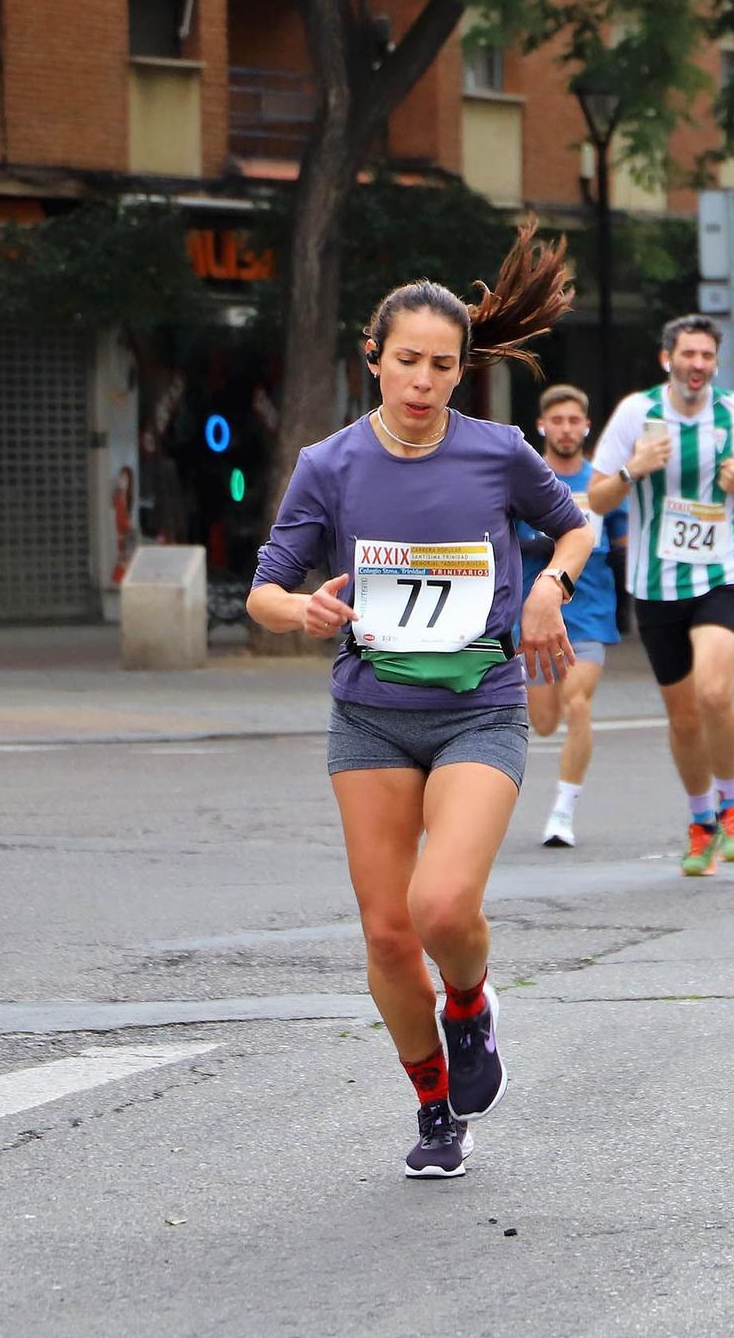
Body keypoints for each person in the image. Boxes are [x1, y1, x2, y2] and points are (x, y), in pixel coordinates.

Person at [246, 225, 591, 1181]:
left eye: (443, 365)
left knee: (442, 906)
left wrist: (548, 587)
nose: (424, 380)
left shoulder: (500, 452)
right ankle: (435, 1106)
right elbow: (265, 587)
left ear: (460, 371)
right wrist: (301, 608)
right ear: (374, 356)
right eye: (407, 360)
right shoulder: (330, 464)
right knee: (389, 930)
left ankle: (471, 1002)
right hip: (371, 710)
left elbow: (575, 529)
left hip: (481, 701)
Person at [586, 315, 734, 877]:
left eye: (706, 356)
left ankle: (733, 808)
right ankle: (700, 823)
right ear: (666, 359)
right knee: (683, 717)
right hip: (655, 583)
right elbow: (596, 497)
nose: (697, 365)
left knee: (715, 692)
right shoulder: (636, 414)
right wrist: (634, 469)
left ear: (715, 363)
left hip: (724, 570)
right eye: (688, 355)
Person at [517, 383, 627, 847]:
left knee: (578, 705)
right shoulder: (526, 478)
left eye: (574, 421)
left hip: (589, 613)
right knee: (543, 722)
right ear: (542, 426)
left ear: (587, 427)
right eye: (556, 421)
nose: (566, 429)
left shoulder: (601, 486)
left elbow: (623, 543)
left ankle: (562, 813)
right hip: (533, 616)